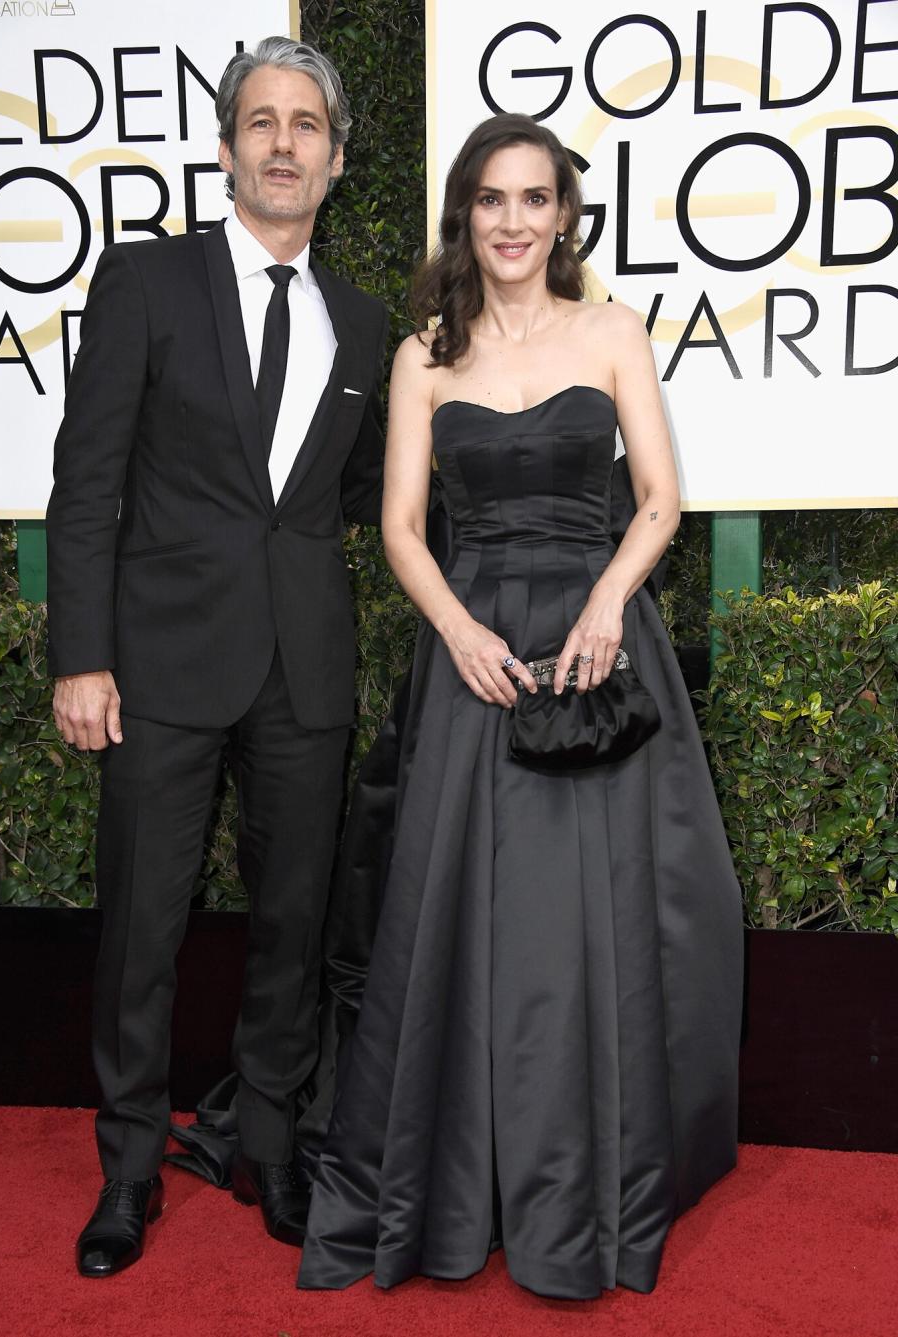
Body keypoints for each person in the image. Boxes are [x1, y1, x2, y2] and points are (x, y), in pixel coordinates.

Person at [298, 113, 743, 1300]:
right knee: (463, 922)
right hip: (475, 651)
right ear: (466, 215)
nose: (512, 221)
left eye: (534, 199)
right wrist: (459, 630)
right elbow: (399, 526)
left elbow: (659, 497)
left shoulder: (612, 331)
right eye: (492, 200)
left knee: (585, 923)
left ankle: (592, 1176)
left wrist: (604, 609)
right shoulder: (422, 355)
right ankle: (454, 1178)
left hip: (598, 645)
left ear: (564, 214)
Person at [45, 35, 388, 1277]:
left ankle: (273, 1146)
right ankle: (129, 1171)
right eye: (262, 121)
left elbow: (348, 491)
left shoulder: (365, 321)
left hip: (305, 667)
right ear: (230, 145)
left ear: (338, 160)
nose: (284, 142)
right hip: (159, 662)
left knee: (293, 927)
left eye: (307, 125)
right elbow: (86, 482)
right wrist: (81, 653)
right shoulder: (145, 281)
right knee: (142, 926)